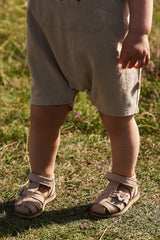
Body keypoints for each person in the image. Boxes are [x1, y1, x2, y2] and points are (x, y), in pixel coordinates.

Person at [14, 0, 153, 219]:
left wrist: (138, 33)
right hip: (49, 33)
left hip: (108, 34)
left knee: (117, 115)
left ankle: (123, 182)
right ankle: (41, 181)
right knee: (44, 112)